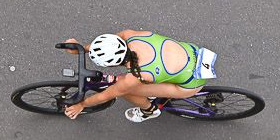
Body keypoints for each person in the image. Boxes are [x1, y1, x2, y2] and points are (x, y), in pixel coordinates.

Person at [63, 30, 220, 122]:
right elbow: (107, 46)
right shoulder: (129, 35)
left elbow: (106, 95)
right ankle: (153, 93)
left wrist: (82, 105)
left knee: (126, 90)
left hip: (191, 82)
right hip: (193, 54)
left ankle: (149, 111)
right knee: (132, 84)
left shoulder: (137, 75)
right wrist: (81, 49)